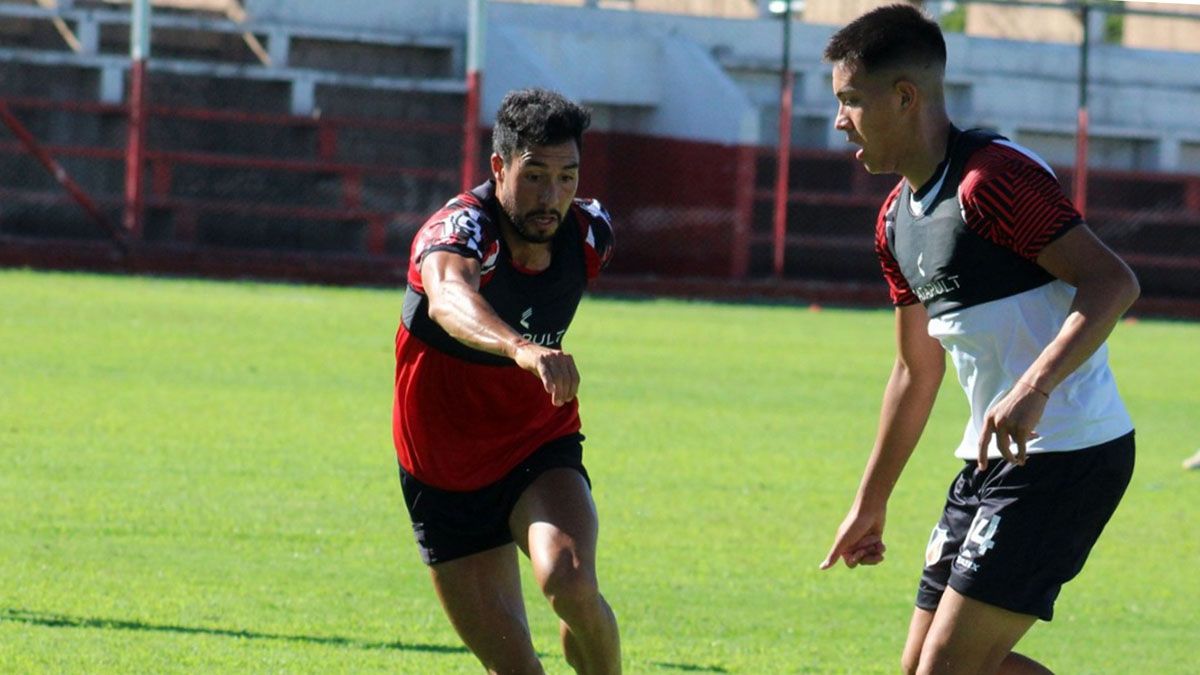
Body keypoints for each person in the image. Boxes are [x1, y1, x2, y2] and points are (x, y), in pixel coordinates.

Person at [817, 6, 1139, 674]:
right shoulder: (894, 221)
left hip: (1069, 451)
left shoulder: (990, 181)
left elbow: (1113, 281)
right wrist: (870, 502)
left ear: (904, 97)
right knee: (923, 669)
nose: (840, 119)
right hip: (990, 463)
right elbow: (915, 371)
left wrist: (1034, 386)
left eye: (851, 99)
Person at [392, 88, 620, 674]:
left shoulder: (589, 233)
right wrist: (521, 348)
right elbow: (448, 298)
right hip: (442, 473)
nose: (553, 196)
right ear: (499, 167)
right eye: (535, 176)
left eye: (567, 177)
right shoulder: (459, 230)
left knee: (572, 584)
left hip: (535, 447)